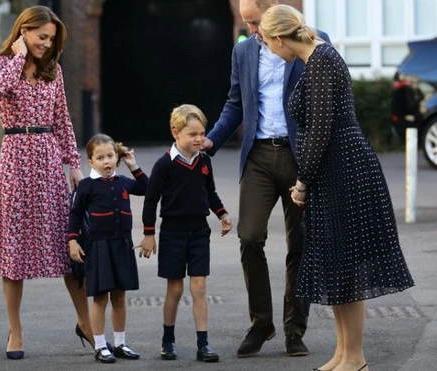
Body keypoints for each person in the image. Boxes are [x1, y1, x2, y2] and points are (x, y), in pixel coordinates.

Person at [260, 5, 415, 371]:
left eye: (267, 42)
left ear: (280, 38)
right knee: (337, 263)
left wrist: (301, 183)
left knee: (346, 263)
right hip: (335, 169)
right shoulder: (317, 58)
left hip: (344, 169)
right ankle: (343, 353)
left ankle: (356, 357)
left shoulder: (322, 60)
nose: (269, 49)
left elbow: (319, 131)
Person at [201, 0, 330, 358]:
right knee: (249, 235)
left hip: (299, 155)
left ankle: (294, 329)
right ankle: (262, 323)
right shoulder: (243, 51)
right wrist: (211, 141)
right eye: (247, 24)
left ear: (272, 8)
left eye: (256, 22)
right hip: (257, 155)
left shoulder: (315, 42)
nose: (253, 30)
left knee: (300, 243)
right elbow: (235, 104)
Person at [0, 5, 93, 359]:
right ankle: (15, 331)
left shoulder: (54, 71)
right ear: (23, 31)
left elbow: (62, 119)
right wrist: (17, 58)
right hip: (15, 159)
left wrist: (73, 164)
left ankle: (86, 323)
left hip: (48, 160)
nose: (46, 44)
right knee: (13, 250)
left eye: (51, 39)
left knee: (68, 245)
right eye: (41, 36)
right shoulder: (0, 64)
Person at [137, 104, 232, 362]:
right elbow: (150, 200)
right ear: (175, 133)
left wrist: (222, 214)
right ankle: (168, 340)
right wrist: (149, 234)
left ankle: (204, 344)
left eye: (202, 133)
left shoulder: (204, 162)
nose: (199, 139)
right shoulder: (164, 165)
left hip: (199, 232)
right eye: (193, 134)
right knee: (175, 289)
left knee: (199, 288)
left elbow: (209, 192)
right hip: (173, 233)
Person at [68, 134, 148, 364]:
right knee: (101, 298)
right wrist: (73, 241)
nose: (106, 162)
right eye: (100, 157)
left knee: (120, 297)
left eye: (111, 156)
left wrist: (133, 165)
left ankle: (121, 343)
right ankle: (101, 345)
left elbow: (147, 188)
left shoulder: (123, 181)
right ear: (90, 161)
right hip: (98, 247)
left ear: (117, 157)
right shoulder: (86, 186)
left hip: (122, 245)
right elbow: (74, 215)